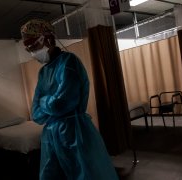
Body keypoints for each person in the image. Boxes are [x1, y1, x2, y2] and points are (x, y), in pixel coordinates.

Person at [20, 19, 119, 180]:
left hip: (75, 132)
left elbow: (62, 104)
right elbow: (36, 114)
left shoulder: (69, 62)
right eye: (28, 49)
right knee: (51, 174)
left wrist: (44, 101)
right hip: (50, 137)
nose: (32, 52)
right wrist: (50, 102)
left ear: (48, 39)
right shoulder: (43, 72)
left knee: (85, 173)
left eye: (34, 46)